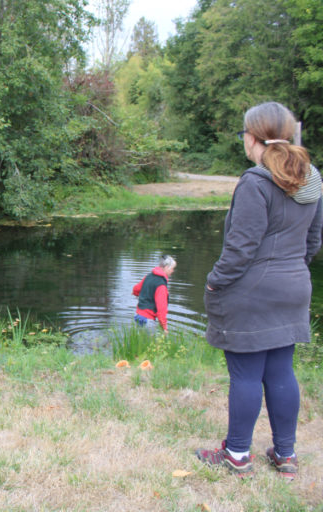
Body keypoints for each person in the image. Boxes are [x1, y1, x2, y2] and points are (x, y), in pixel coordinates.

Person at [196, 102, 323, 479]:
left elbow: (241, 248)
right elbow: (313, 240)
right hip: (293, 287)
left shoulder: (255, 180)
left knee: (247, 375)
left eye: (243, 136)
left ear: (253, 138)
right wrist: (289, 270)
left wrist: (214, 280)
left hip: (250, 293)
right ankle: (285, 454)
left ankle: (237, 455)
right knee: (281, 372)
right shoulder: (311, 178)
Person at [132, 255, 176, 333]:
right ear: (166, 267)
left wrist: (141, 295)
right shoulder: (161, 285)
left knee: (138, 344)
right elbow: (161, 309)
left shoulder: (148, 276)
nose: (173, 271)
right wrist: (164, 328)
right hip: (148, 321)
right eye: (172, 268)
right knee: (149, 345)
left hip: (138, 316)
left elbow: (136, 289)